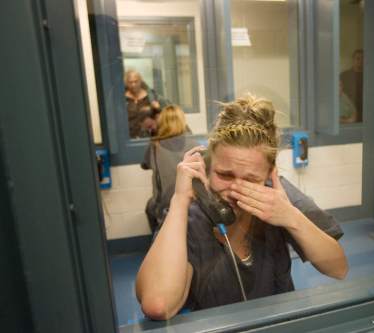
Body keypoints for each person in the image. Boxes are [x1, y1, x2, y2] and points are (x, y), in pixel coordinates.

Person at [136, 95, 348, 320]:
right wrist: (179, 201)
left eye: (250, 180)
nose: (235, 190)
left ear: (269, 175)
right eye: (224, 174)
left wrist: (291, 218)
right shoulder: (190, 217)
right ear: (208, 166)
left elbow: (338, 269)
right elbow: (158, 304)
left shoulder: (279, 197)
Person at [142, 105, 199, 233]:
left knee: (149, 208)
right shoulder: (195, 145)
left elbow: (145, 165)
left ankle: (158, 237)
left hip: (165, 207)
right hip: (194, 204)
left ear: (161, 123)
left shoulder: (155, 146)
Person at [125, 69, 168, 138]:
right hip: (129, 138)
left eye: (136, 81)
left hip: (149, 137)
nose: (133, 85)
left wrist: (157, 108)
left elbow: (167, 114)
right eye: (130, 82)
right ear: (127, 83)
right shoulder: (122, 98)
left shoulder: (151, 96)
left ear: (140, 81)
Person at [340, 49, 363, 122]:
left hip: (364, 111)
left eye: (363, 58)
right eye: (358, 58)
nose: (361, 61)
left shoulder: (369, 77)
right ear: (353, 59)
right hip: (347, 112)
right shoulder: (344, 75)